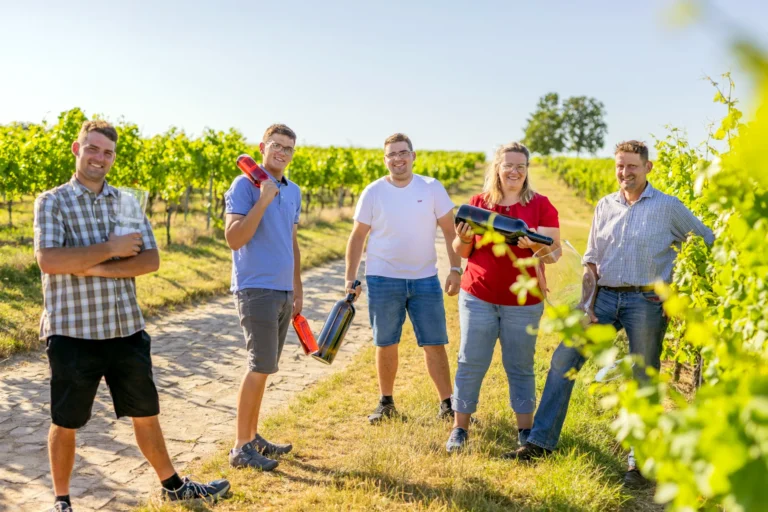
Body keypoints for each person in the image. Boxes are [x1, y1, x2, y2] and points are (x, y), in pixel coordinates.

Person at [34, 120, 230, 512]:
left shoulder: (126, 203)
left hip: (125, 328)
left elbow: (151, 260)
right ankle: (62, 500)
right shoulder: (52, 201)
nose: (99, 158)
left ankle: (172, 486)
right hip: (73, 332)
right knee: (66, 420)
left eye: (107, 152)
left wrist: (94, 264)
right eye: (93, 149)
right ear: (77, 149)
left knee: (146, 413)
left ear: (113, 157)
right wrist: (112, 247)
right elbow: (50, 259)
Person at [506, 140, 715, 489]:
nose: (625, 172)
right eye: (620, 166)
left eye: (632, 166)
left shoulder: (668, 207)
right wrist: (586, 304)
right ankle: (540, 443)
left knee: (642, 380)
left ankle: (640, 464)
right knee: (563, 361)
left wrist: (678, 291)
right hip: (603, 300)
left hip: (646, 302)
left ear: (648, 168)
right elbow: (590, 260)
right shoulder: (605, 205)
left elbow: (705, 241)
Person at [445, 142, 560, 453]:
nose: (514, 171)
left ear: (527, 170)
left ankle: (525, 431)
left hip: (524, 303)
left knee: (520, 365)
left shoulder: (541, 205)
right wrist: (463, 238)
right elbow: (463, 251)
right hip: (478, 295)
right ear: (497, 167)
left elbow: (554, 254)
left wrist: (534, 245)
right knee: (471, 361)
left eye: (520, 166)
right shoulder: (479, 203)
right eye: (508, 165)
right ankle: (460, 428)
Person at [345, 133, 463, 424]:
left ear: (413, 156)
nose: (397, 159)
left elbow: (451, 232)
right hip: (383, 278)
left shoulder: (432, 187)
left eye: (403, 153)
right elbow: (358, 236)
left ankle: (447, 405)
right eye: (391, 155)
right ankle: (386, 403)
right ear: (385, 160)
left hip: (425, 279)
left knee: (435, 342)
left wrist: (456, 269)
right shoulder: (373, 192)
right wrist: (351, 277)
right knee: (386, 342)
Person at [224, 124, 303, 471]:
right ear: (262, 147)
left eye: (288, 148)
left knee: (266, 367)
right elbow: (234, 238)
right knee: (258, 367)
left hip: (283, 289)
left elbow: (292, 242)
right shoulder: (244, 185)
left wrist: (297, 287)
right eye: (276, 145)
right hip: (256, 287)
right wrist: (263, 199)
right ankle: (241, 448)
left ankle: (253, 436)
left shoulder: (295, 191)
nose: (281, 152)